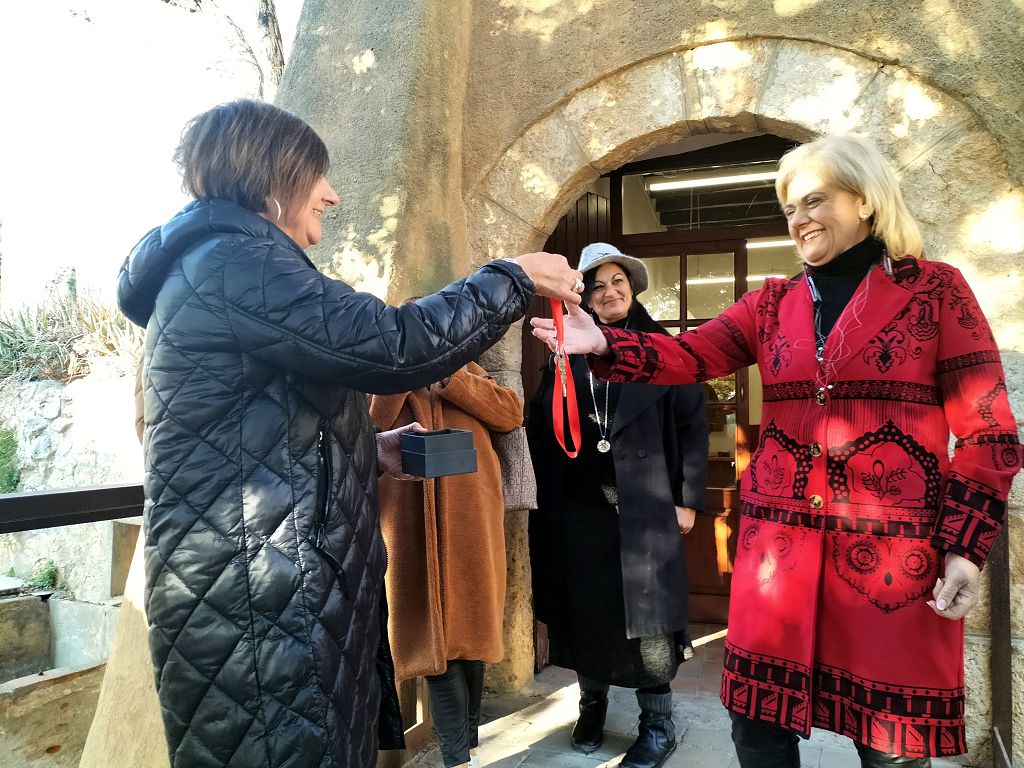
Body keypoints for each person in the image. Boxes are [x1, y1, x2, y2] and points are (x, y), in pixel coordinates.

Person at [116, 98, 584, 768]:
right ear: (272, 177)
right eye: (318, 176)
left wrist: (367, 450)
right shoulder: (235, 265)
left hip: (270, 594)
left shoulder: (225, 265)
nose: (332, 196)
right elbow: (394, 344)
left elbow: (256, 441)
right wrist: (512, 278)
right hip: (262, 609)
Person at [531, 134, 1022, 767]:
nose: (798, 219)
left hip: (893, 565)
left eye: (814, 200)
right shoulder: (771, 304)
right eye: (789, 207)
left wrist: (966, 549)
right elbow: (689, 355)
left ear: (867, 201)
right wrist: (601, 344)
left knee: (891, 746)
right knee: (756, 730)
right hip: (777, 565)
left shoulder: (936, 291)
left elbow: (989, 433)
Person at [527, 243, 708, 768]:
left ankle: (657, 724)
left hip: (647, 501)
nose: (608, 292)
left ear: (633, 287)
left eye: (617, 282)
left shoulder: (662, 348)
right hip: (581, 506)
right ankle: (592, 707)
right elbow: (543, 424)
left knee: (649, 622)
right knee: (588, 611)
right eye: (597, 285)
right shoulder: (567, 350)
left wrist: (688, 498)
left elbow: (694, 426)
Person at [369, 358, 523, 768]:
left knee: (470, 634)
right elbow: (371, 424)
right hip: (409, 523)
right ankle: (459, 758)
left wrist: (450, 378)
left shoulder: (466, 369)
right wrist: (400, 374)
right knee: (433, 640)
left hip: (471, 521)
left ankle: (467, 746)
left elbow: (509, 413)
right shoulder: (380, 373)